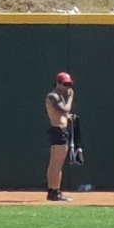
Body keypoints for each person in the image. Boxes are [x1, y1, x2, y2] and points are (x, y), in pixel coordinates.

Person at [43, 70, 76, 202]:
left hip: (59, 130)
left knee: (54, 163)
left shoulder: (59, 96)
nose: (67, 87)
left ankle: (52, 190)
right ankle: (55, 191)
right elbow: (64, 109)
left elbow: (63, 114)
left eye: (69, 84)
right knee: (57, 164)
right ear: (58, 83)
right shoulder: (53, 96)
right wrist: (71, 98)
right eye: (64, 84)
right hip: (59, 131)